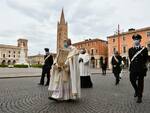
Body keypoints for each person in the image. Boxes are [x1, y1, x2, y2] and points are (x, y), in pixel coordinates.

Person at [128, 34, 148, 103]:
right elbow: (131, 59)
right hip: (133, 68)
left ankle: (139, 96)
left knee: (140, 83)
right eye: (134, 39)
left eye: (137, 39)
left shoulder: (144, 49)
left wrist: (143, 65)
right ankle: (136, 90)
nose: (136, 40)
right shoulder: (130, 50)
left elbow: (145, 59)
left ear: (140, 40)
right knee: (131, 80)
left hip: (141, 69)